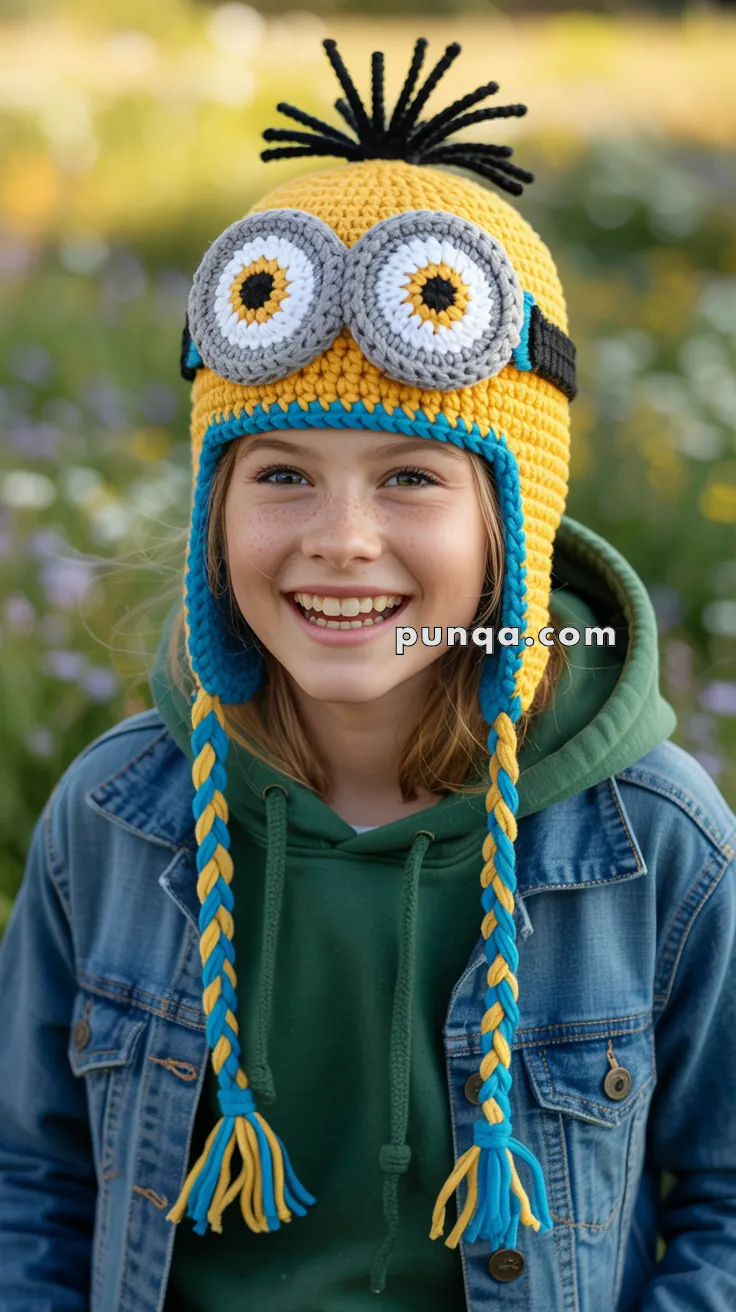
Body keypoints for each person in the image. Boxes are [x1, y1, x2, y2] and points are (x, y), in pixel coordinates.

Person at [0, 36, 734, 1312]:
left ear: (513, 520)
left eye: (411, 476)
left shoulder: (656, 847)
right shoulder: (113, 824)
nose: (341, 537)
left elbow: (722, 1205)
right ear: (213, 514)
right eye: (279, 473)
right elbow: (31, 1181)